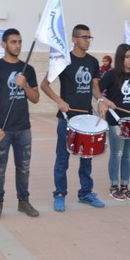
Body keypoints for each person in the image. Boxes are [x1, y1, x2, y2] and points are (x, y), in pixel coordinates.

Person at [40, 24, 108, 211]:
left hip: (86, 117)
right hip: (67, 119)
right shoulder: (63, 60)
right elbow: (44, 85)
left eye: (89, 37)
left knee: (87, 158)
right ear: (74, 40)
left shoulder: (93, 62)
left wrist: (101, 100)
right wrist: (59, 101)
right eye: (84, 37)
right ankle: (60, 194)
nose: (87, 40)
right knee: (62, 159)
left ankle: (86, 193)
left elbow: (94, 88)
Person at [0, 28, 40, 219]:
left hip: (23, 128)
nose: (17, 45)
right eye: (13, 42)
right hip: (2, 129)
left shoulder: (28, 69)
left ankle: (23, 201)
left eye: (19, 42)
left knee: (23, 167)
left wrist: (24, 85)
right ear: (4, 44)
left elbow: (35, 98)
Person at [99, 43, 130, 201]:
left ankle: (125, 186)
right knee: (117, 153)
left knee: (128, 155)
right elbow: (97, 90)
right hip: (116, 120)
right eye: (127, 57)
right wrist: (105, 101)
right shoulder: (111, 74)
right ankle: (114, 186)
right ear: (120, 58)